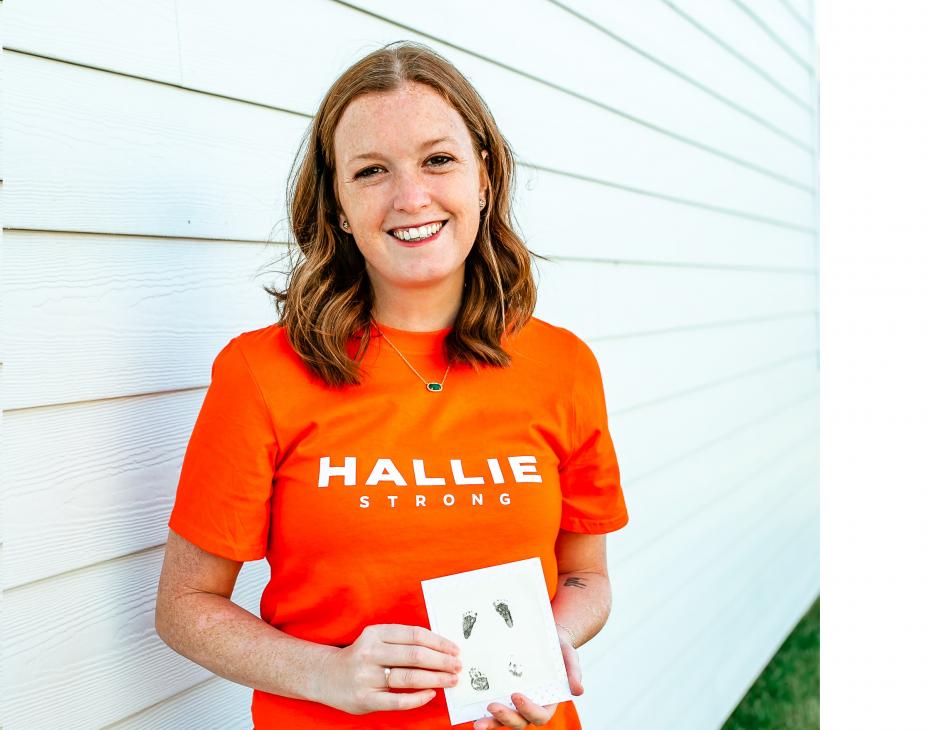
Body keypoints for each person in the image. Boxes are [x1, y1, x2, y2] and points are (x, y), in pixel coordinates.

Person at [155, 40, 629, 730]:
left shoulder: (563, 364)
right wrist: (326, 673)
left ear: (484, 178)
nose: (411, 197)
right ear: (340, 206)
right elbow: (185, 606)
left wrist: (546, 646)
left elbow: (588, 577)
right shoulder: (261, 373)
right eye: (372, 171)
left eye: (439, 159)